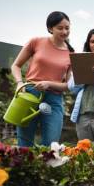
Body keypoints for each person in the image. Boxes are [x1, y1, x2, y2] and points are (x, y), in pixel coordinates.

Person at [11, 11, 74, 146]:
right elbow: (16, 66)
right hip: (30, 94)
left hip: (54, 99)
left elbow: (69, 85)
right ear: (50, 28)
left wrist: (48, 83)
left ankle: (47, 167)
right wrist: (19, 83)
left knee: (51, 145)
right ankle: (24, 167)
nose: (64, 31)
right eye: (60, 28)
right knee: (25, 142)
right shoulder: (36, 42)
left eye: (67, 28)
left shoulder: (71, 54)